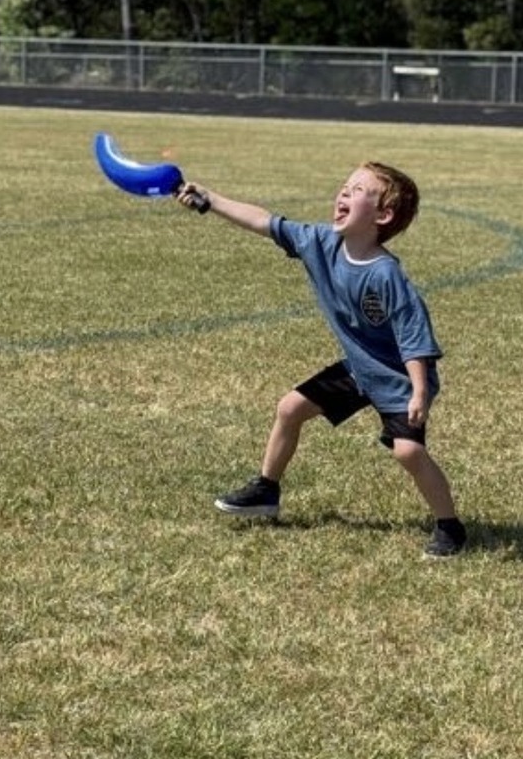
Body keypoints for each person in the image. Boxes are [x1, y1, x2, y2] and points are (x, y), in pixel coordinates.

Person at [176, 160, 467, 559]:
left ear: (382, 215)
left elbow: (412, 333)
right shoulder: (319, 243)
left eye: (359, 190)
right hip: (359, 368)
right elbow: (265, 221)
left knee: (408, 452)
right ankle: (266, 490)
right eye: (345, 187)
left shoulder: (385, 274)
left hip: (399, 377)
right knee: (290, 408)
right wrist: (210, 200)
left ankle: (450, 527)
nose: (344, 193)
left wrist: (419, 390)